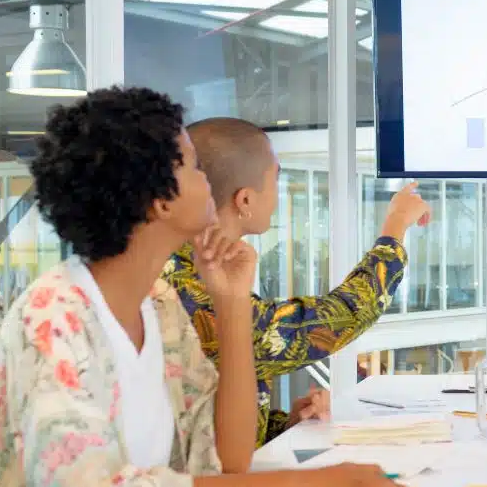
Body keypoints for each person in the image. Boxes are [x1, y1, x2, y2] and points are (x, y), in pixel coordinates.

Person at [0, 88, 413, 487]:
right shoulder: (52, 316)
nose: (210, 180)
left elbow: (230, 457)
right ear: (159, 199)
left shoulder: (160, 306)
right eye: (196, 166)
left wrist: (231, 302)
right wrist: (302, 485)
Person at [162, 117, 431, 446]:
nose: (279, 193)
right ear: (244, 199)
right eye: (276, 179)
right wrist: (396, 226)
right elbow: (330, 319)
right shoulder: (194, 289)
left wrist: (281, 425)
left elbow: (210, 422)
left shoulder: (193, 266)